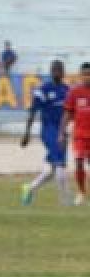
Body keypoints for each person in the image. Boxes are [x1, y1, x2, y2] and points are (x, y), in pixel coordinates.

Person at [21, 60, 70, 205]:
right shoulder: (43, 90)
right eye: (54, 70)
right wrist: (27, 133)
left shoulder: (67, 90)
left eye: (59, 70)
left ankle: (29, 188)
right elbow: (32, 112)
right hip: (48, 131)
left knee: (51, 170)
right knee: (60, 165)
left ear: (63, 72)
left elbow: (70, 112)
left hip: (62, 131)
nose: (57, 73)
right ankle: (65, 202)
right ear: (50, 72)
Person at [60, 61, 90, 206]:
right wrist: (61, 132)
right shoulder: (74, 92)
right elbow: (67, 113)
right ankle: (82, 192)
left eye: (89, 74)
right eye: (84, 74)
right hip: (79, 135)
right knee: (78, 163)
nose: (87, 77)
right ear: (80, 75)